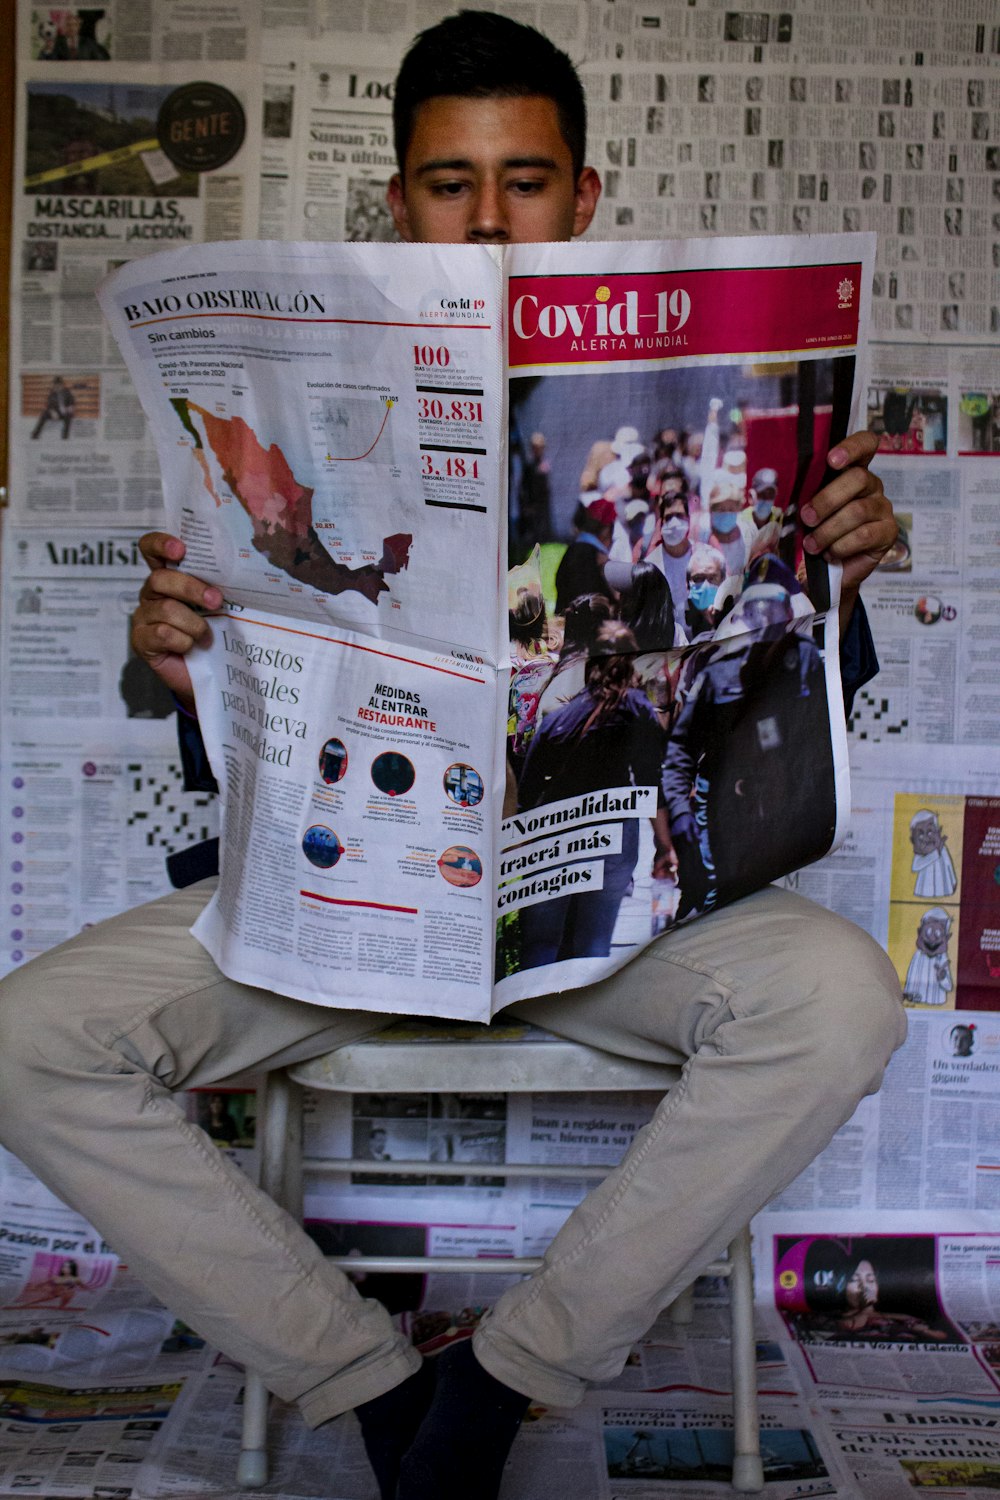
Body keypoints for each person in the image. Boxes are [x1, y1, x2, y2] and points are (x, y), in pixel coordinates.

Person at [0, 13, 905, 1500]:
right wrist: (175, 654)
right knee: (29, 1043)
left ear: (587, 198)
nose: (488, 223)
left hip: (594, 914)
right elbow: (241, 739)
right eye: (449, 183)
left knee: (840, 1001)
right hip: (349, 905)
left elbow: (763, 723)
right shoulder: (299, 387)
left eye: (526, 181)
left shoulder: (669, 404)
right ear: (399, 198)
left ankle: (492, 1388)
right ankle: (365, 1383)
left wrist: (834, 590)